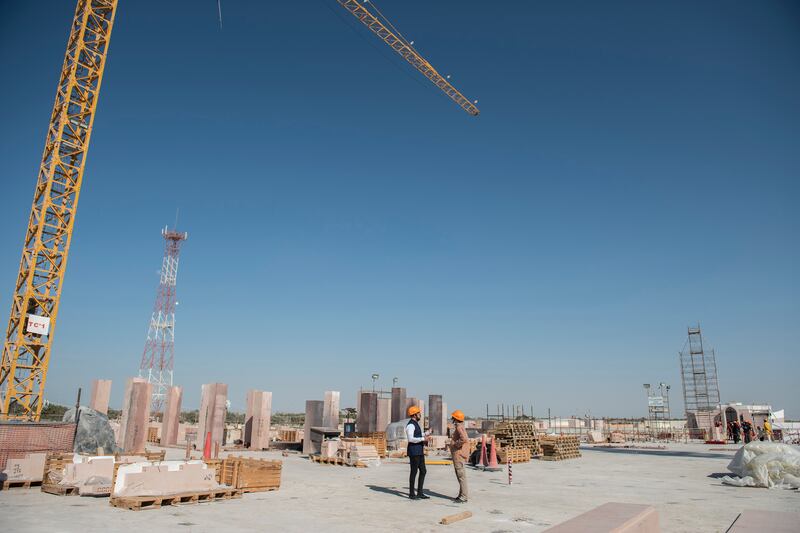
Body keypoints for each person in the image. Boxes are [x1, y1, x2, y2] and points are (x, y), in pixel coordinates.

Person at [405, 405, 429, 500]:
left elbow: (417, 434)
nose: (420, 415)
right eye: (419, 413)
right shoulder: (410, 425)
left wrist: (426, 433)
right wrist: (423, 438)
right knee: (414, 472)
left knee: (423, 471)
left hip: (419, 451)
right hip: (414, 452)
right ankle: (411, 494)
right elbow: (410, 439)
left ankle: (420, 492)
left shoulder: (415, 424)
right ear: (414, 415)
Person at [448, 409, 470, 503]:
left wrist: (456, 444)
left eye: (453, 417)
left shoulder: (458, 427)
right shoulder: (460, 426)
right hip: (458, 455)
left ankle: (464, 496)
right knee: (459, 475)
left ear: (455, 418)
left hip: (458, 455)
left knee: (461, 475)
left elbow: (464, 439)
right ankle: (461, 494)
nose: (452, 419)